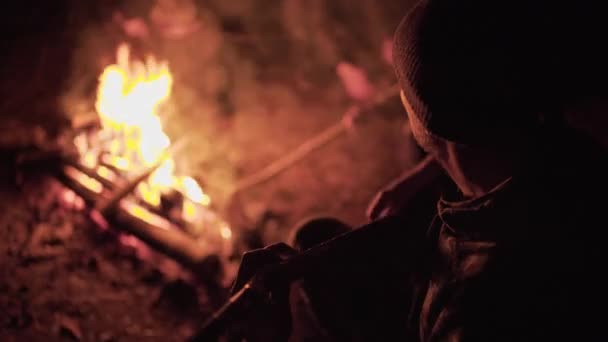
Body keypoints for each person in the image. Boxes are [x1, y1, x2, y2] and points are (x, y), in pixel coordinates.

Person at [227, 0, 608, 341]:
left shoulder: (476, 311)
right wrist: (422, 176)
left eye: (403, 90)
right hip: (433, 272)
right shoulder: (559, 147)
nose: (399, 96)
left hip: (426, 316)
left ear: (429, 123)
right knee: (315, 238)